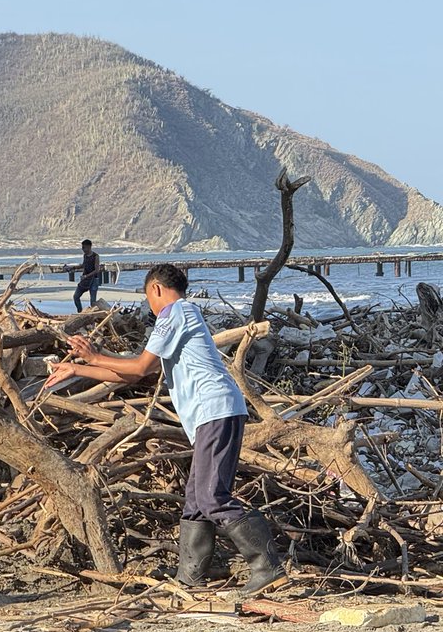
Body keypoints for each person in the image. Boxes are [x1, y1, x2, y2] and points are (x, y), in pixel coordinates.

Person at [44, 263, 285, 597]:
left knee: (212, 497)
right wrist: (78, 367)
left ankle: (267, 567)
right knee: (196, 501)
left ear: (155, 289)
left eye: (148, 298)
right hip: (210, 415)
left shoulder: (175, 313)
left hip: (215, 410)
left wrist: (94, 355)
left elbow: (140, 365)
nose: (150, 307)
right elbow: (131, 375)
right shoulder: (180, 317)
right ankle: (190, 579)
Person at [71, 239, 103, 312]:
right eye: (82, 248)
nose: (83, 249)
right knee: (76, 296)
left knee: (93, 302)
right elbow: (83, 265)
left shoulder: (96, 256)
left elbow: (96, 270)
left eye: (84, 247)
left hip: (94, 280)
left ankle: (93, 317)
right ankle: (80, 312)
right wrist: (73, 267)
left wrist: (86, 276)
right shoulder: (85, 255)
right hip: (85, 280)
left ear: (89, 247)